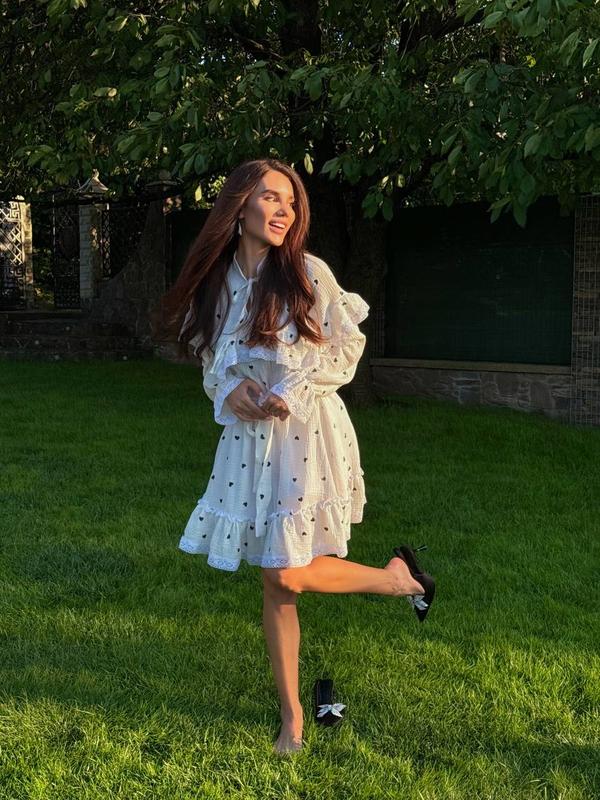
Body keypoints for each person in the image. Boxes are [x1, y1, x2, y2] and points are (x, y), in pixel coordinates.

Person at [166, 158, 434, 755]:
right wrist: (230, 388)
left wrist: (287, 392)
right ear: (239, 206)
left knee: (285, 570)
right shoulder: (218, 282)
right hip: (247, 441)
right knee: (276, 582)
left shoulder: (307, 273)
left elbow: (344, 350)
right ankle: (292, 718)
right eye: (271, 197)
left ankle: (398, 581)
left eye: (291, 201)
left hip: (306, 435)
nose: (284, 210)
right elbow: (210, 360)